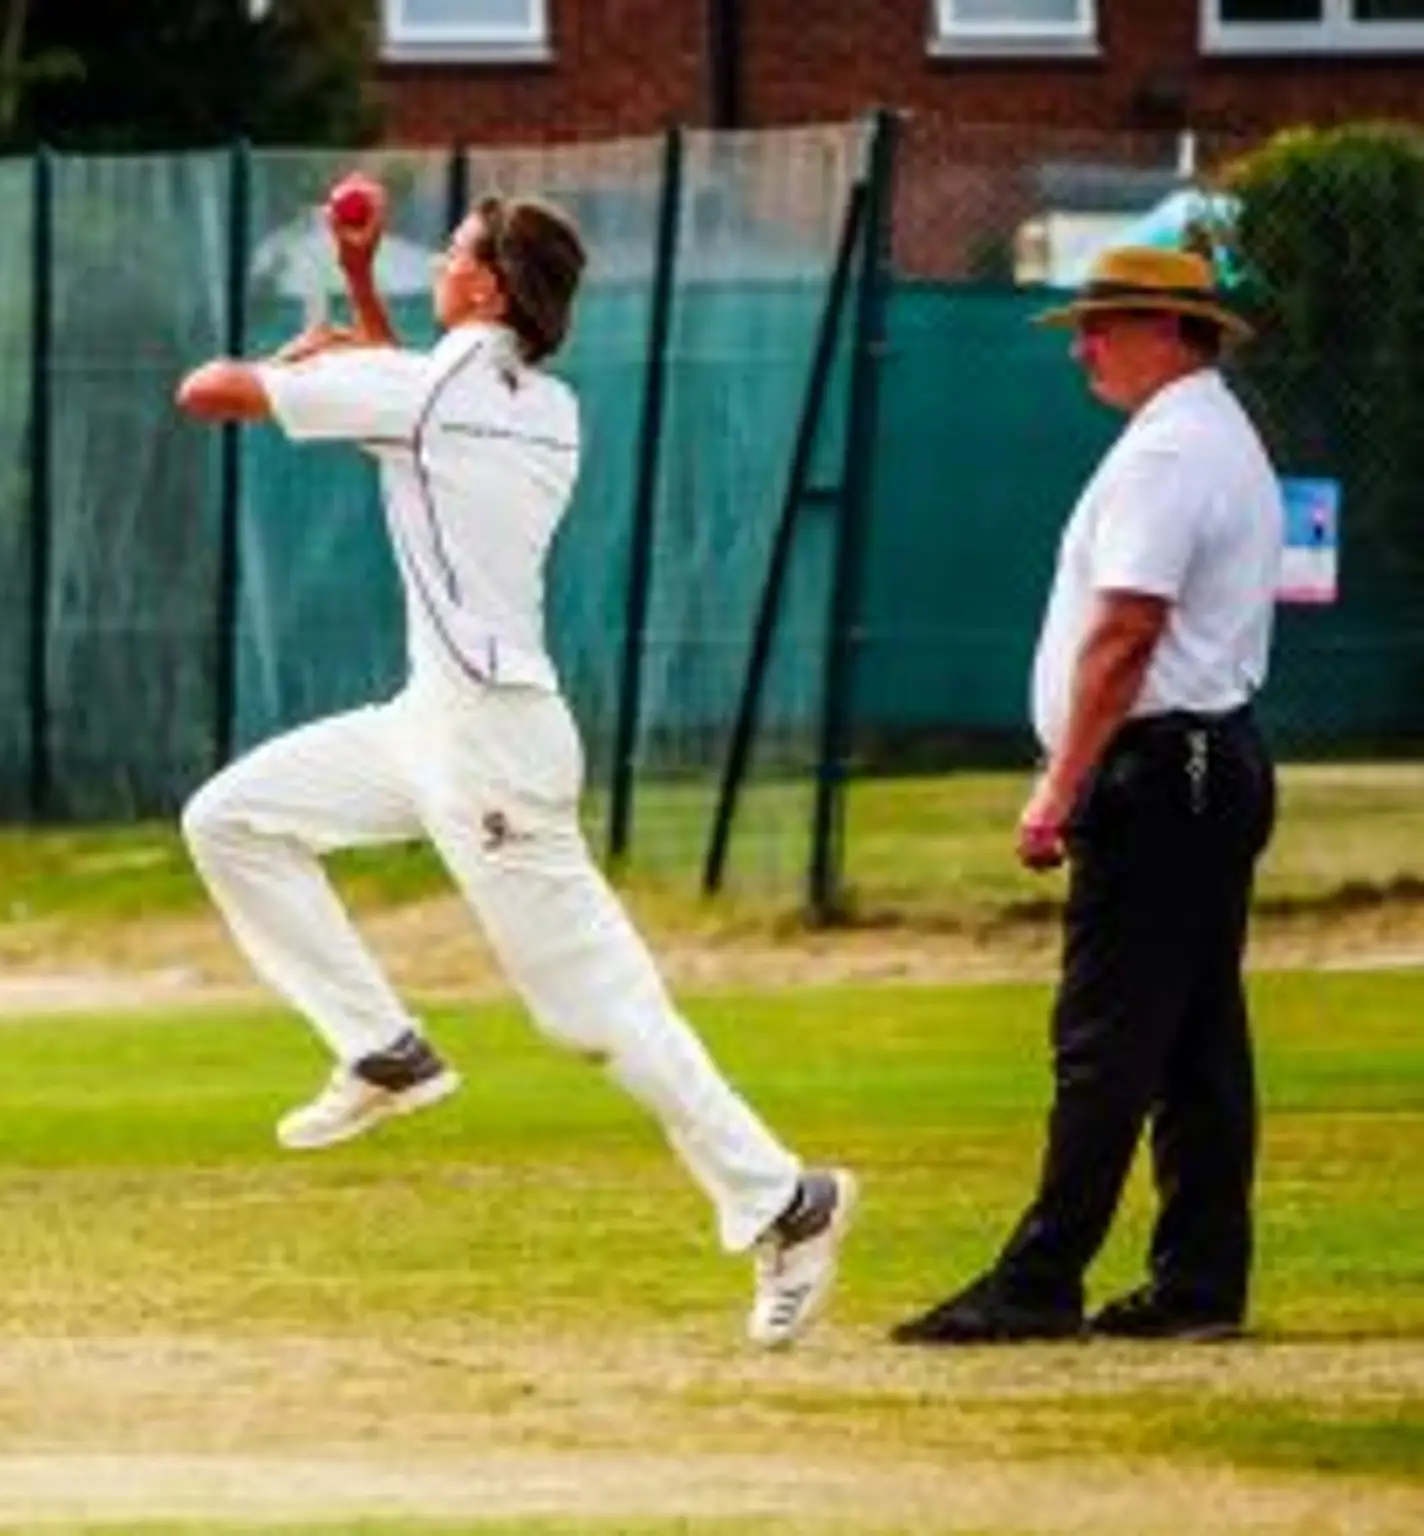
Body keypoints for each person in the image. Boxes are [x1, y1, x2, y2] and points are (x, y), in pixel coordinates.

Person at [172, 179, 855, 1348]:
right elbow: (423, 427)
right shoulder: (546, 406)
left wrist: (298, 356)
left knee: (597, 1014)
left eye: (451, 254)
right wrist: (356, 292)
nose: (435, 263)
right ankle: (382, 1049)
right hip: (438, 719)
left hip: (485, 744)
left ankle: (788, 1201)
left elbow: (205, 393)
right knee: (230, 820)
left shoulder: (417, 391)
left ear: (484, 285)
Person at [893, 246, 1282, 1345]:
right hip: (1209, 765)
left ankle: (1040, 1277)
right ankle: (1199, 1283)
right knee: (1195, 1040)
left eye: (1100, 324)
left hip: (1162, 772)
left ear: (1168, 329)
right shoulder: (1210, 434)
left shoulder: (1166, 452)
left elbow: (1123, 634)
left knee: (1104, 1037)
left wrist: (1055, 789)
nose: (1080, 347)